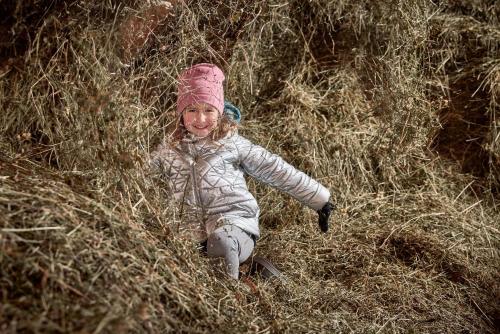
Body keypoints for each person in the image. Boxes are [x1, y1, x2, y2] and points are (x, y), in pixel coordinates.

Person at [150, 63, 335, 279]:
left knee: (222, 241)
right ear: (181, 113)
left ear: (219, 112)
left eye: (208, 110)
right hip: (190, 235)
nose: (200, 119)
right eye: (192, 110)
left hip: (234, 224)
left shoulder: (232, 144)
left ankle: (231, 301)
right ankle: (252, 274)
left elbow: (275, 169)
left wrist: (320, 199)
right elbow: (138, 176)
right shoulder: (168, 150)